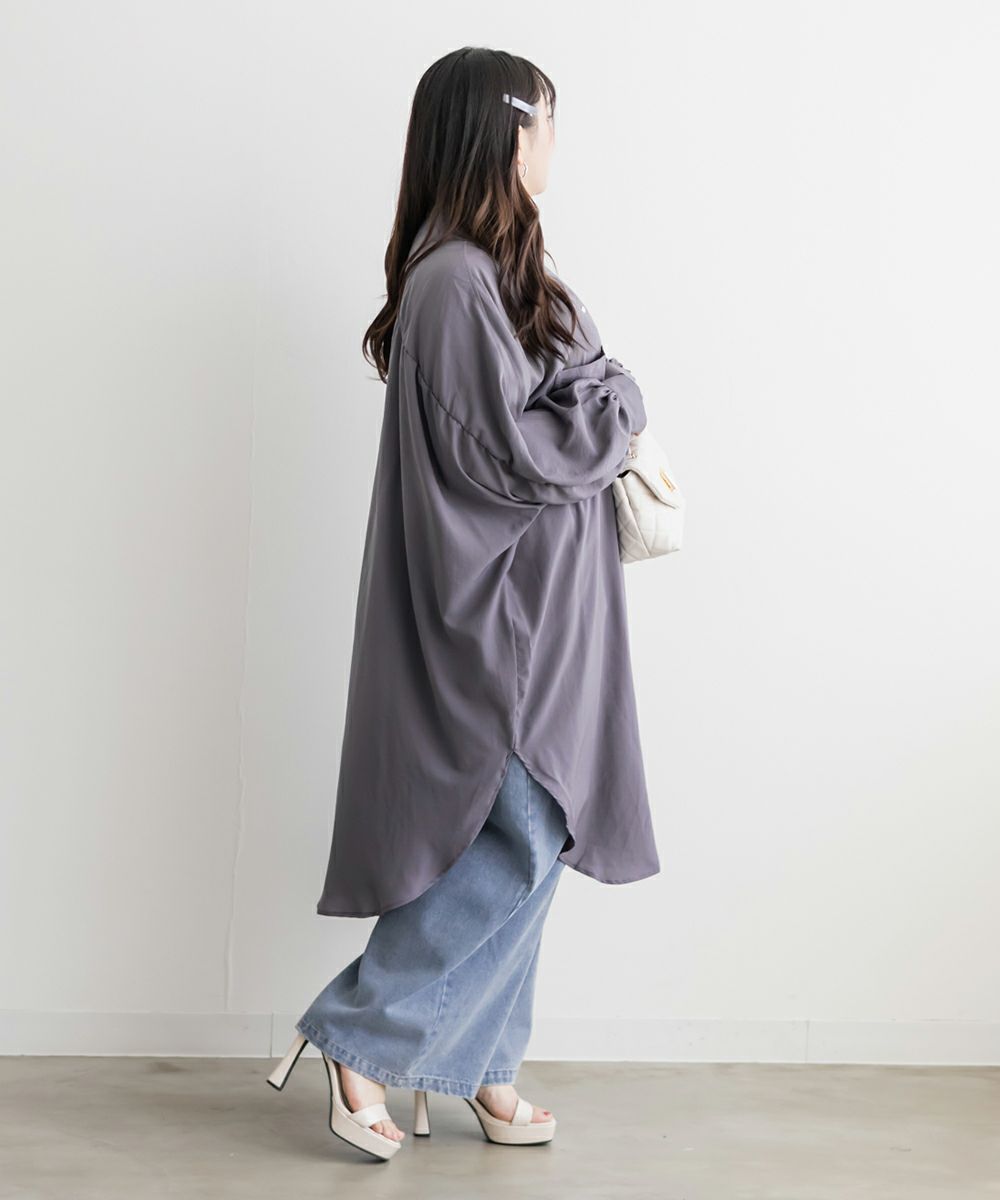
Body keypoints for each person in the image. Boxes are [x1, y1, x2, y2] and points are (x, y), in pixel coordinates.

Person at [267, 46, 660, 1161]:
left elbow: (574, 395)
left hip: (547, 609)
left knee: (543, 828)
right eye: (545, 122)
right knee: (522, 832)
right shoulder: (453, 282)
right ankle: (358, 1036)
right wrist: (617, 411)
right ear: (503, 133)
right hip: (500, 615)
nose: (554, 144)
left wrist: (607, 397)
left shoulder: (505, 272)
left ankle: (478, 1061)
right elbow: (514, 453)